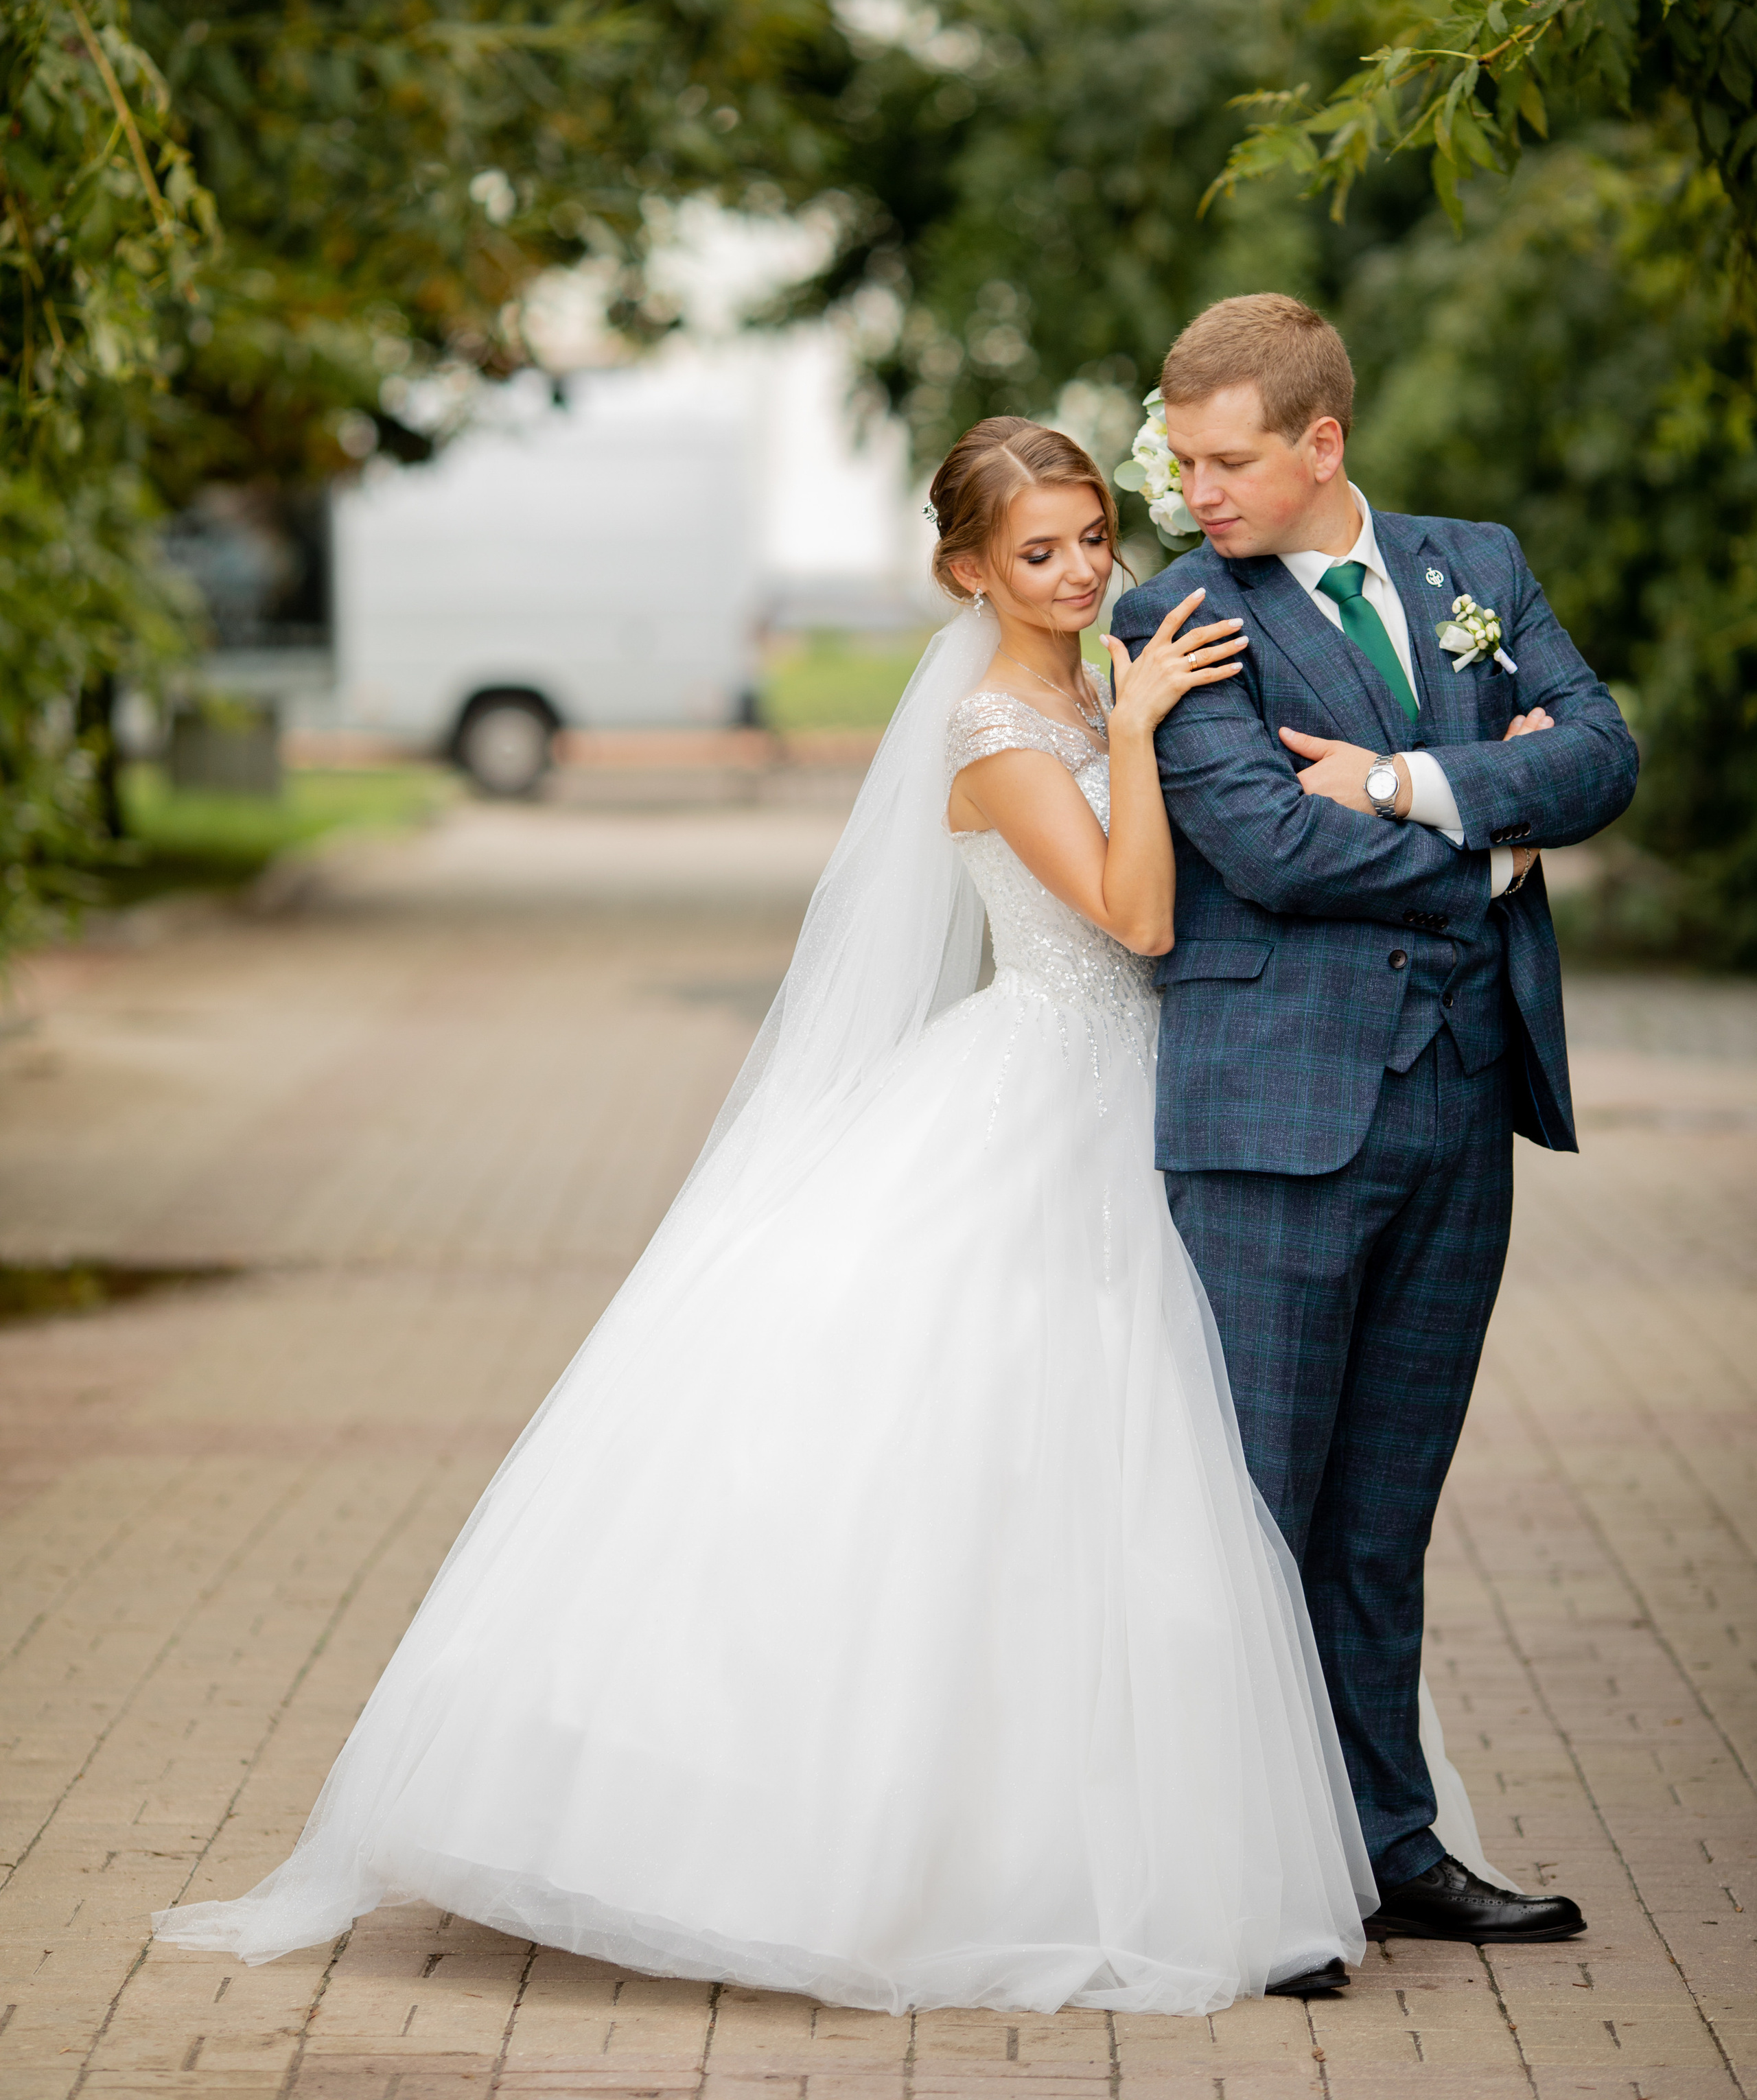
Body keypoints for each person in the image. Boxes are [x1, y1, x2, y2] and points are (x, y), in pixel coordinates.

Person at [155, 418, 1380, 2014]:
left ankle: (1147, 1837)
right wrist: (1143, 735)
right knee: (1008, 1456)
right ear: (963, 571)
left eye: (1091, 538)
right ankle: (901, 1855)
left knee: (1139, 1472)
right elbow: (1135, 916)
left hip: (1138, 1102)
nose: (1079, 572)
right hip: (1038, 1100)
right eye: (1036, 552)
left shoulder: (1101, 686)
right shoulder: (999, 731)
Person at [1111, 294, 1639, 1946]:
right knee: (1250, 1511)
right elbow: (1267, 847)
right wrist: (1499, 839)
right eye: (1182, 460)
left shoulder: (1472, 567)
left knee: (1381, 1516)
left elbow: (1605, 753)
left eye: (1226, 460)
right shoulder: (1175, 611)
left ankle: (1385, 1846)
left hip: (1460, 1106)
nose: (1192, 490)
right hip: (1271, 1119)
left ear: (1320, 439)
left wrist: (1408, 784)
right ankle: (1235, 1880)